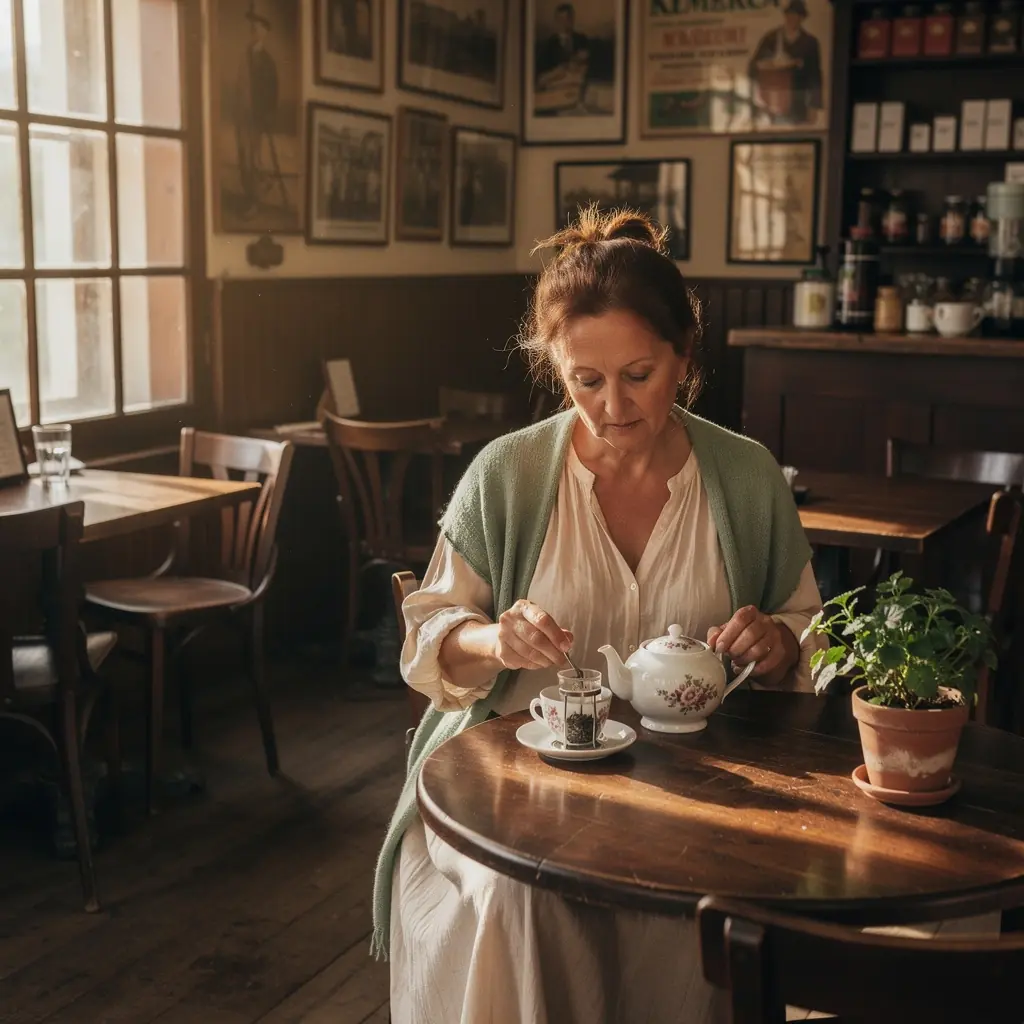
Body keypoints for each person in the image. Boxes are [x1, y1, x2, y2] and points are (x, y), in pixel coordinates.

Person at [372, 206, 826, 1023]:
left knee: (705, 910)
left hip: (698, 796)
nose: (613, 406)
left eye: (639, 375)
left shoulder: (747, 476)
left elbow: (808, 627)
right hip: (509, 797)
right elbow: (430, 634)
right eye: (586, 380)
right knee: (527, 904)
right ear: (556, 368)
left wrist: (782, 641)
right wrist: (493, 638)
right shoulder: (506, 475)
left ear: (684, 359)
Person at [747, 0, 823, 126]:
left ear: (802, 18)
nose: (793, 19)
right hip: (773, 100)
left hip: (799, 99)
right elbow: (753, 67)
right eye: (790, 15)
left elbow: (815, 76)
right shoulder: (771, 38)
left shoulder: (810, 42)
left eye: (797, 15)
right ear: (785, 16)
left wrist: (814, 105)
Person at [234, 4, 279, 216]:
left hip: (257, 118)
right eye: (252, 26)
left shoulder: (268, 63)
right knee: (244, 158)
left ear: (265, 32)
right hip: (241, 116)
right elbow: (238, 86)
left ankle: (254, 202)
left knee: (254, 159)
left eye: (259, 26)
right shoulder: (243, 56)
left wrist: (266, 117)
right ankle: (255, 192)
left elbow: (272, 93)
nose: (254, 30)